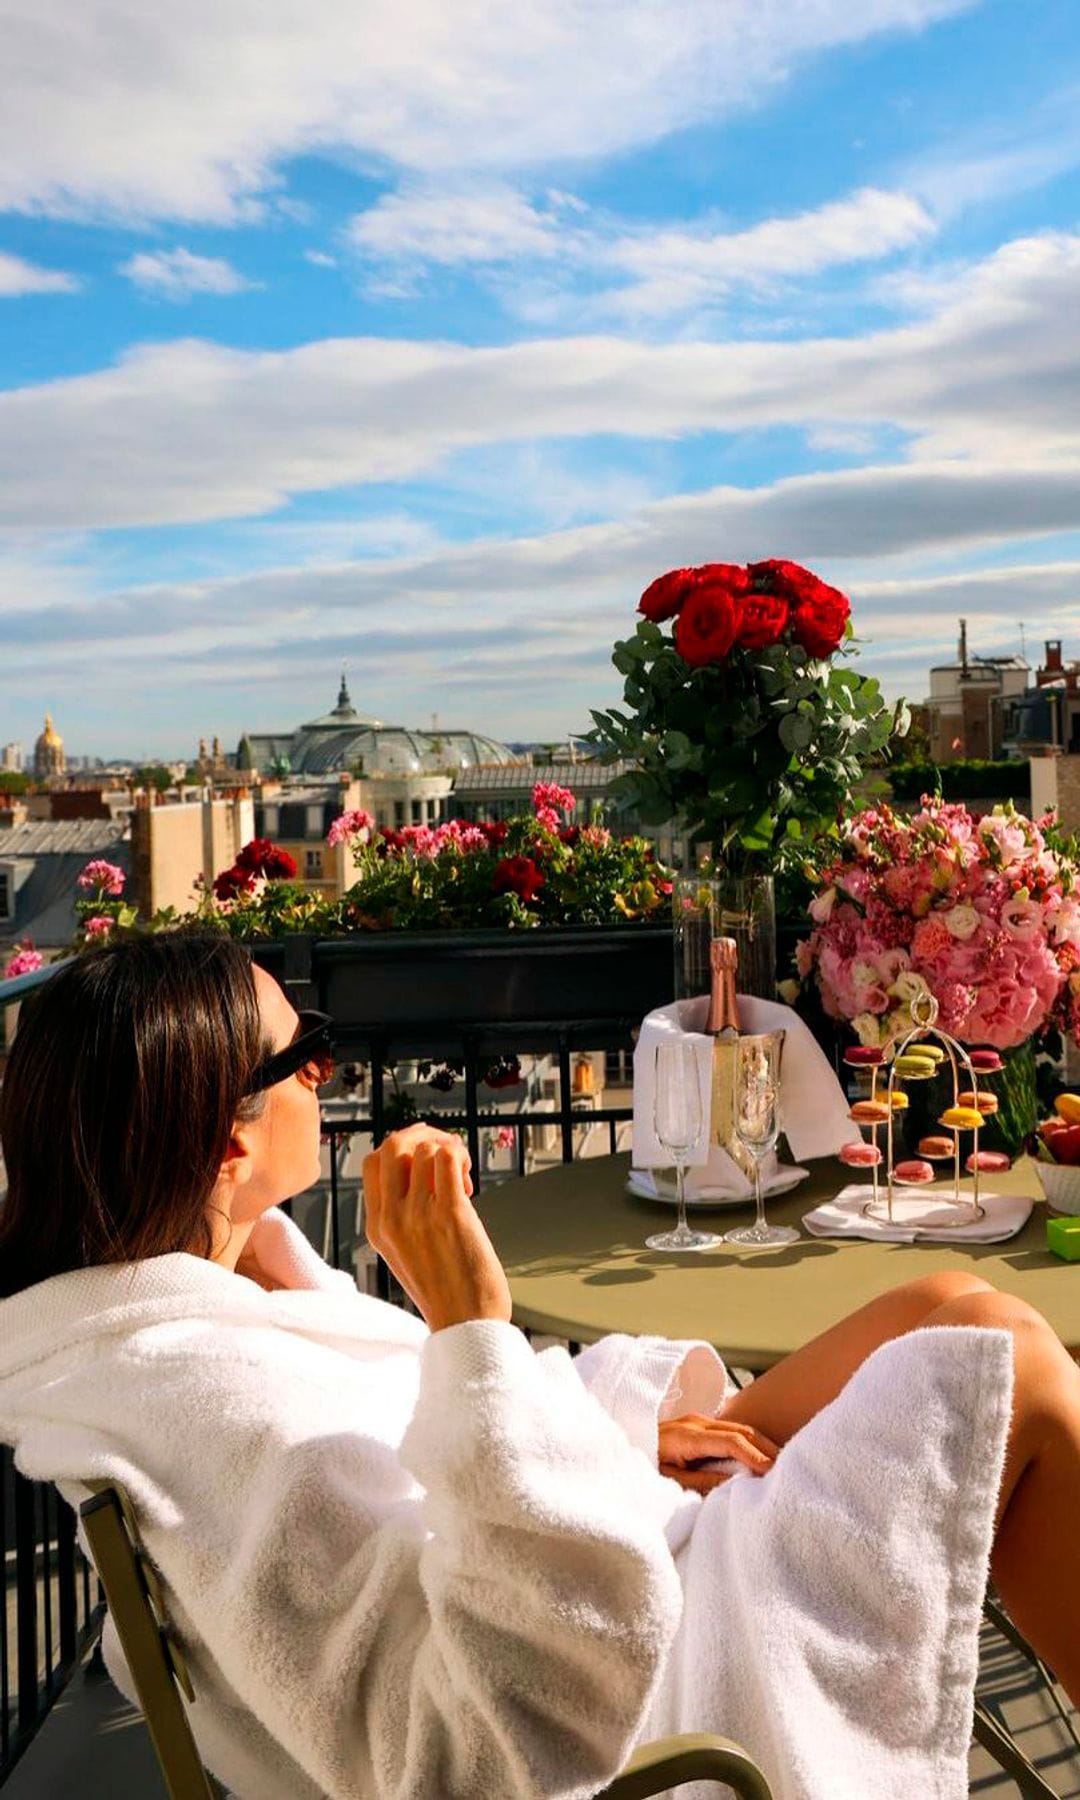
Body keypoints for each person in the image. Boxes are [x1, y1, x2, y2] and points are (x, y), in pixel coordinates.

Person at [0, 933, 1077, 1800]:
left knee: (945, 1308)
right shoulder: (226, 1419)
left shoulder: (211, 1324)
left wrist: (612, 1441)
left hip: (598, 1545)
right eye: (302, 1052)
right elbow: (473, 1757)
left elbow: (421, 1471)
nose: (328, 1068)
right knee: (1014, 1360)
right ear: (228, 1144)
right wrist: (469, 1320)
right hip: (639, 1665)